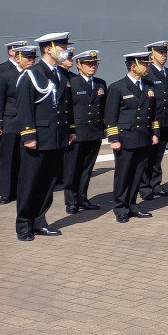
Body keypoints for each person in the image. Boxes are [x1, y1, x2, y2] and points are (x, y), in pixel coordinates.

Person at [15, 32, 75, 240]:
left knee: (48, 184)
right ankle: (24, 225)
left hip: (56, 137)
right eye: (62, 47)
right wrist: (28, 135)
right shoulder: (31, 74)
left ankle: (40, 221)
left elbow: (66, 107)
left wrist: (70, 131)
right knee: (30, 183)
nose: (66, 51)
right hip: (37, 139)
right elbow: (24, 108)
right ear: (48, 49)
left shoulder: (61, 74)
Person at [106, 51, 158, 223]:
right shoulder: (117, 87)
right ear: (134, 66)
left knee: (138, 173)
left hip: (143, 136)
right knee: (123, 175)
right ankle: (121, 208)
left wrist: (155, 133)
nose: (148, 67)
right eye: (145, 64)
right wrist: (114, 139)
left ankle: (133, 204)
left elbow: (154, 113)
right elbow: (111, 116)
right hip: (125, 137)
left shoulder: (149, 86)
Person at [63, 49, 106, 213]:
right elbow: (67, 109)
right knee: (72, 168)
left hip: (94, 132)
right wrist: (69, 130)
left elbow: (103, 108)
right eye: (88, 64)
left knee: (87, 168)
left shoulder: (101, 83)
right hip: (77, 133)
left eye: (94, 63)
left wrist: (103, 127)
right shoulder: (71, 83)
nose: (92, 66)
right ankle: (71, 201)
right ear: (79, 65)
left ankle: (82, 198)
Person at [138, 40, 168, 201]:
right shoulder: (147, 73)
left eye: (165, 53)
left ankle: (156, 184)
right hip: (151, 121)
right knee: (147, 155)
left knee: (158, 155)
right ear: (151, 54)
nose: (164, 55)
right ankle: (145, 187)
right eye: (161, 53)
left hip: (165, 121)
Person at [0, 43, 35, 204]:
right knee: (8, 159)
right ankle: (6, 192)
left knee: (24, 158)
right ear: (18, 57)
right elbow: (0, 101)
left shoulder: (33, 75)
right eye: (28, 57)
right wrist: (0, 124)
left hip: (28, 123)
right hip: (11, 122)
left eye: (33, 58)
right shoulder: (5, 75)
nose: (31, 61)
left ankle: (21, 190)